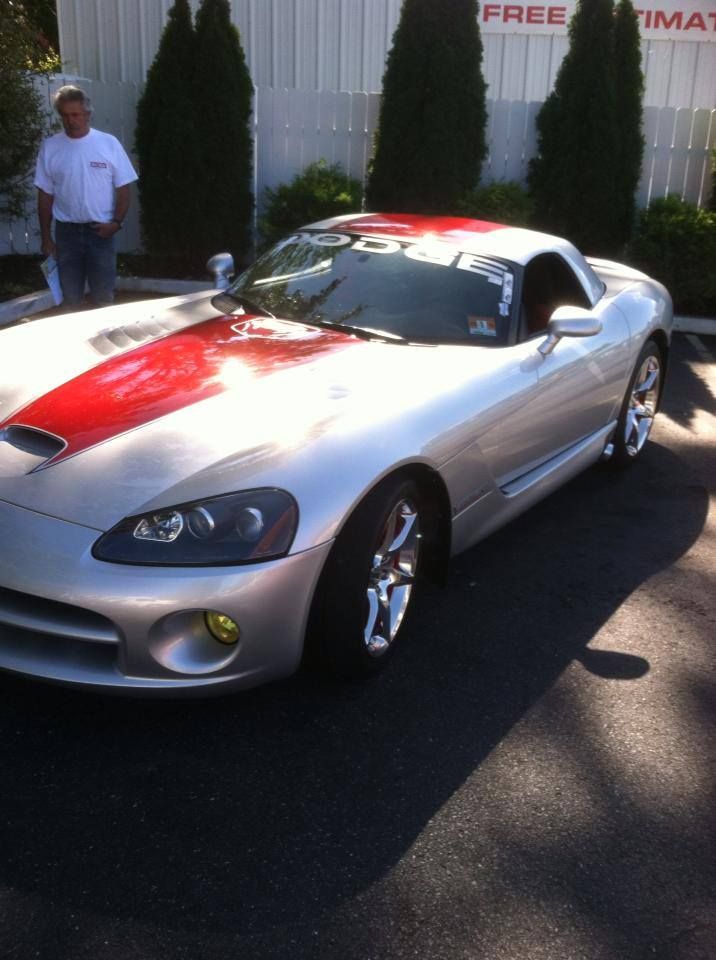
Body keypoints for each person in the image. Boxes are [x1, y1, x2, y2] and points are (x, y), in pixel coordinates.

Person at [35, 85, 138, 308]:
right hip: (67, 234)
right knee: (70, 299)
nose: (71, 120)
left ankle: (107, 342)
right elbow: (45, 195)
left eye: (76, 115)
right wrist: (46, 237)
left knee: (103, 298)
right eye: (65, 115)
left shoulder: (108, 144)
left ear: (88, 114)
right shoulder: (51, 147)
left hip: (100, 233)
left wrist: (116, 223)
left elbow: (123, 188)